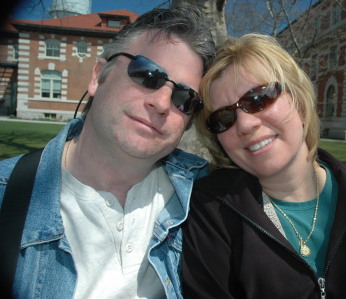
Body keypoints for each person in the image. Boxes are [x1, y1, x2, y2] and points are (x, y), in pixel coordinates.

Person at [0, 5, 215, 298]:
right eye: (148, 75)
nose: (162, 104)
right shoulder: (8, 197)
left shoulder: (207, 195)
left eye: (184, 98)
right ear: (98, 75)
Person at [181, 34, 346, 298]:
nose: (245, 125)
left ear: (300, 104)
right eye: (223, 118)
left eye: (258, 98)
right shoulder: (211, 212)